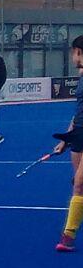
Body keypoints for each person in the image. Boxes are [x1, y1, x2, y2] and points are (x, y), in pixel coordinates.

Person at [53, 36, 83, 252]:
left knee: (80, 182)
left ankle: (68, 236)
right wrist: (67, 137)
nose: (72, 57)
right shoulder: (81, 76)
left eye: (73, 52)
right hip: (79, 134)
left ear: (79, 52)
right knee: (77, 183)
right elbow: (78, 112)